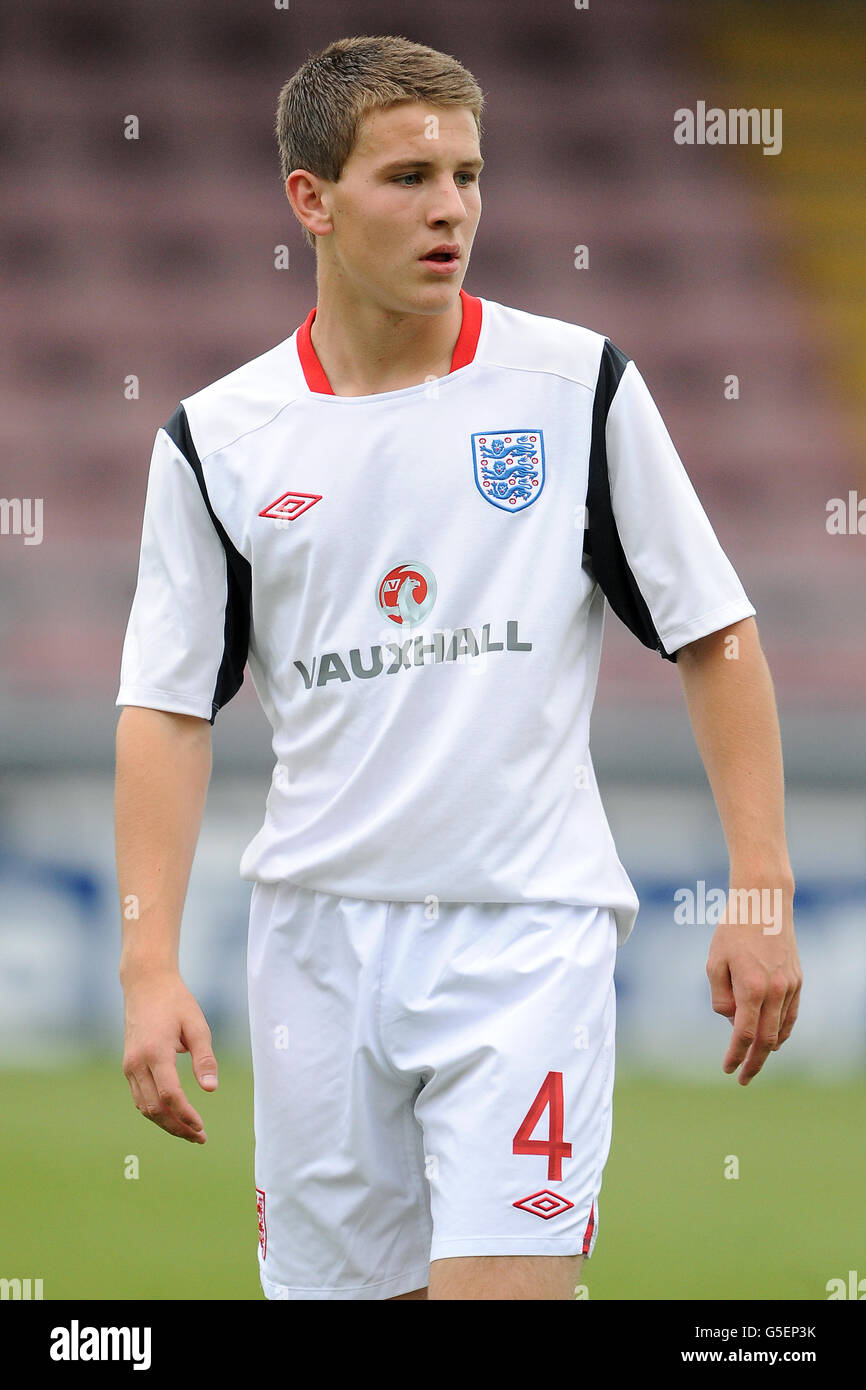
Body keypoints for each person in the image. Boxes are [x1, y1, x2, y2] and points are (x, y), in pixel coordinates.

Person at [114, 34, 802, 1302]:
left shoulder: (572, 384)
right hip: (313, 949)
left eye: (469, 174)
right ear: (308, 200)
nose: (450, 209)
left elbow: (715, 632)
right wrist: (149, 971)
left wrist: (758, 886)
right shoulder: (218, 439)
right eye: (408, 177)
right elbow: (165, 710)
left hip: (522, 936)